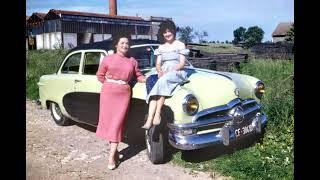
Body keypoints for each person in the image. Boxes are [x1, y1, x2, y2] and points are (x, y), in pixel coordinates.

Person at [96, 32, 146, 170]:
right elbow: (100, 76)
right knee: (111, 124)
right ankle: (115, 151)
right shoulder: (107, 59)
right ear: (116, 45)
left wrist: (148, 79)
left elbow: (138, 76)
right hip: (108, 94)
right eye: (122, 43)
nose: (125, 45)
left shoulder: (132, 61)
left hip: (123, 95)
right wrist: (111, 84)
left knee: (117, 124)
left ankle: (111, 156)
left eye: (127, 43)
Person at [142, 20, 190, 129]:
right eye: (165, 32)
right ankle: (150, 119)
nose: (167, 34)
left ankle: (157, 114)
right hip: (164, 72)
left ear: (173, 31)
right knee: (155, 82)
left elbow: (182, 64)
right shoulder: (161, 47)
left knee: (163, 80)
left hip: (177, 72)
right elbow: (158, 64)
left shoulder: (180, 44)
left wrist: (168, 72)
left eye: (169, 31)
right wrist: (159, 71)